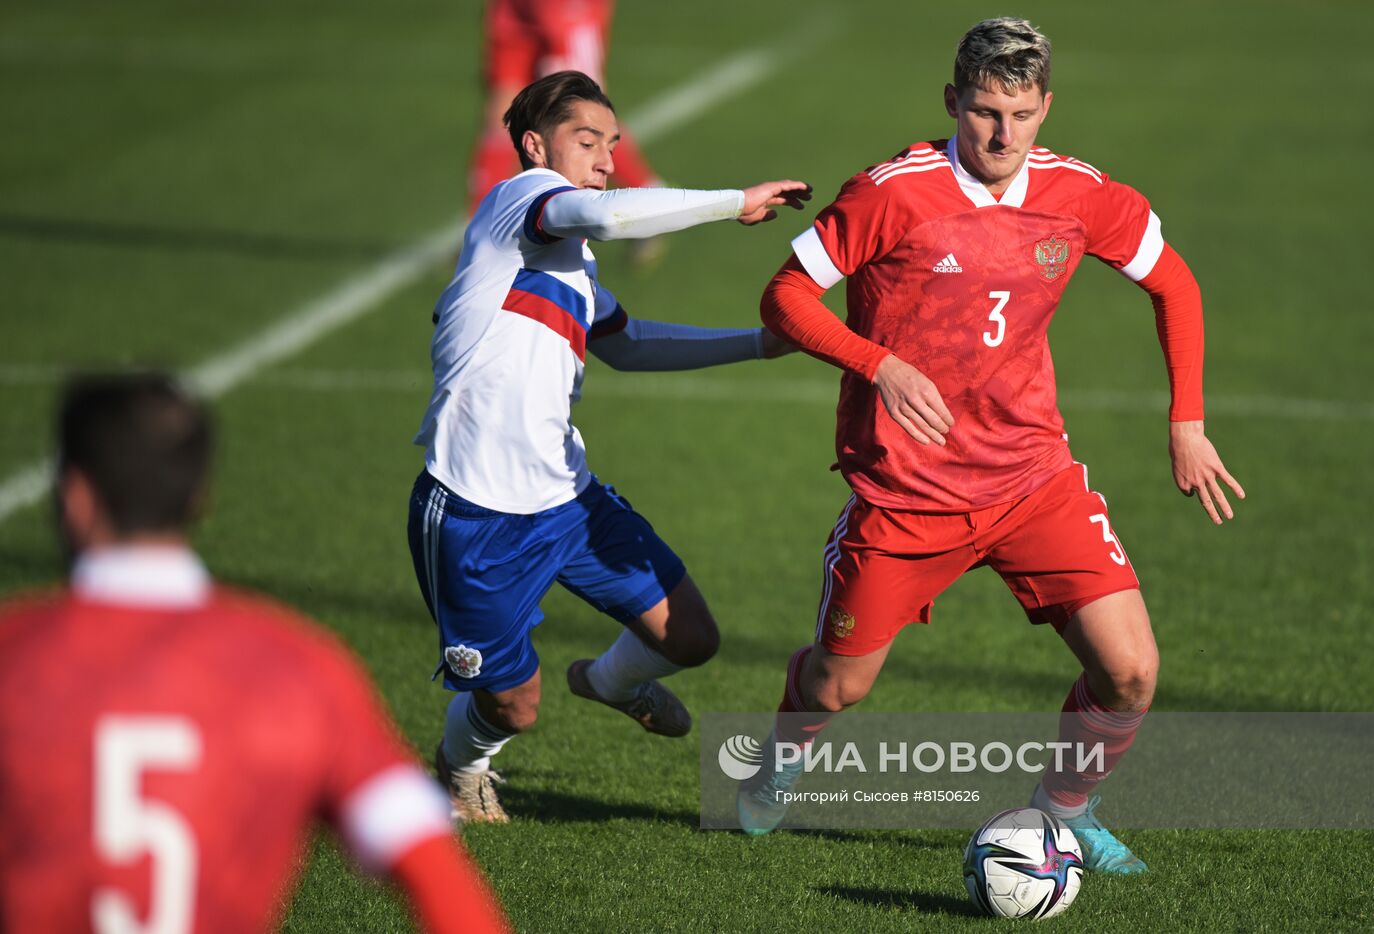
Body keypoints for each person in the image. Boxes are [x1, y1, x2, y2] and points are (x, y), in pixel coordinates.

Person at [737, 17, 1245, 874]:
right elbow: (784, 295)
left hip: (1031, 480)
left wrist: (1185, 422)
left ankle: (1063, 809)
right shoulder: (891, 191)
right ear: (952, 103)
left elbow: (1174, 281)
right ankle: (783, 756)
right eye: (981, 112)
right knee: (838, 685)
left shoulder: (1079, 193)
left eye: (1020, 113)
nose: (1002, 135)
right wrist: (881, 364)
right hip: (907, 493)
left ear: (1047, 107)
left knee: (1131, 672)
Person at [409, 69, 810, 823]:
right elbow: (606, 212)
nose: (605, 158)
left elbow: (630, 347)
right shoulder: (517, 202)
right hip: (475, 511)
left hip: (567, 500)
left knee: (691, 637)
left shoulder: (572, 265)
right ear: (535, 145)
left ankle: (609, 681)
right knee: (513, 708)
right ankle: (459, 770)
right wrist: (733, 203)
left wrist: (759, 344)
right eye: (586, 141)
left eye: (613, 145)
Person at [0, 373, 510, 934]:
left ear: (74, 497)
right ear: (200, 498)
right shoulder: (297, 667)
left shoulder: (13, 651)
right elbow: (435, 873)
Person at [468, 0, 661, 211]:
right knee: (503, 113)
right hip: (518, 8)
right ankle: (481, 224)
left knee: (580, 109)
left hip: (564, 7)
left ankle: (650, 201)